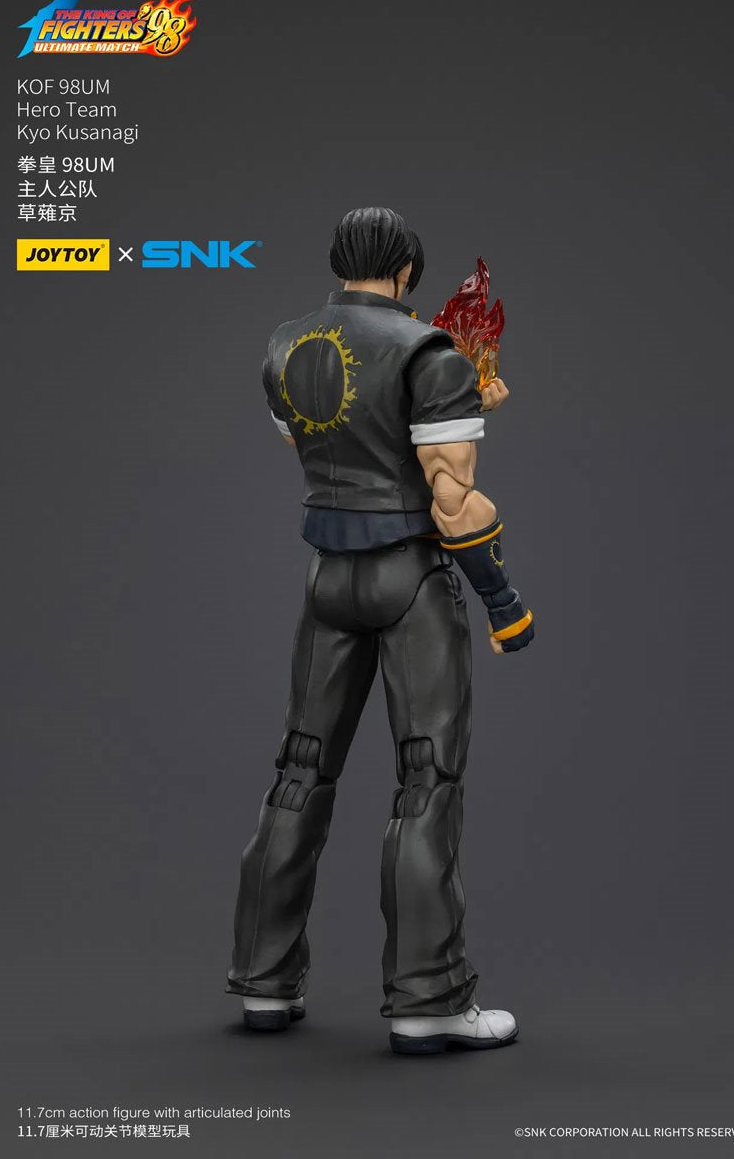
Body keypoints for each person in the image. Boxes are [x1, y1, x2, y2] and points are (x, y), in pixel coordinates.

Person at [226, 207, 535, 1055]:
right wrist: (503, 602)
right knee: (426, 781)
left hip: (327, 578)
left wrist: (462, 407)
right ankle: (428, 1000)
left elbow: (340, 446)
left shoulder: (283, 346)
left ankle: (263, 984)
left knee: (298, 771)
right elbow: (453, 503)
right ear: (406, 271)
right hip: (409, 580)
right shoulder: (430, 353)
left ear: (341, 263)